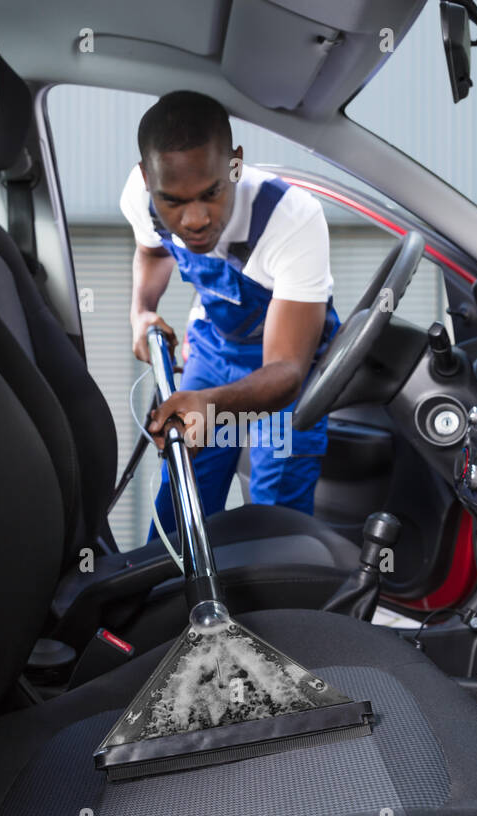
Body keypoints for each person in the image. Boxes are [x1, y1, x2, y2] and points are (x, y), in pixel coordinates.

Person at [121, 90, 339, 540]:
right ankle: (164, 604)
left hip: (285, 361)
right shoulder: (141, 198)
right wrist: (142, 311)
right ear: (147, 179)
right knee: (182, 496)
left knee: (276, 515)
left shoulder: (290, 219)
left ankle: (279, 607)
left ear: (235, 164)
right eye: (174, 202)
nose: (195, 219)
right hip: (214, 346)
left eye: (211, 193)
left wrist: (210, 405)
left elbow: (286, 370)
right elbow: (154, 251)